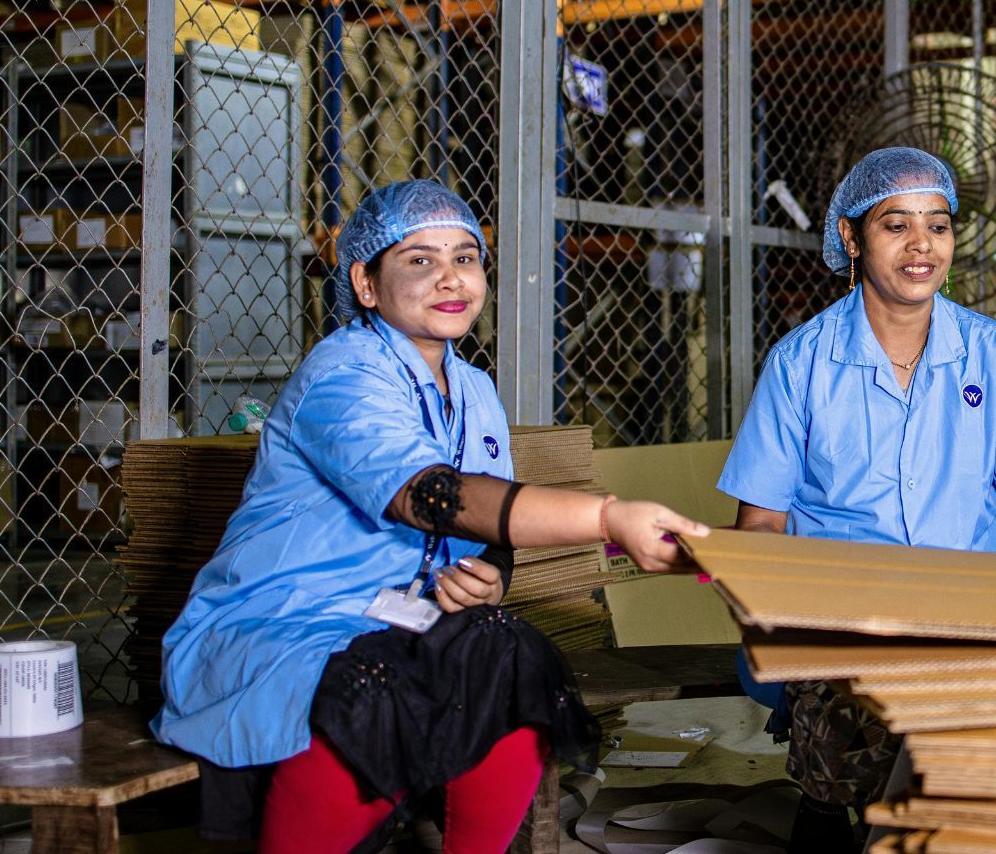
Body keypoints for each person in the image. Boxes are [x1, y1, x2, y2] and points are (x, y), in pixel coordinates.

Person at [152, 180, 710, 854]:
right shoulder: (343, 374)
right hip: (283, 623)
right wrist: (610, 517)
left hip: (399, 620)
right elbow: (429, 495)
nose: (451, 277)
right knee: (381, 685)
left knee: (503, 652)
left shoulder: (473, 388)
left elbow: (486, 522)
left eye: (466, 258)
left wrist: (492, 575)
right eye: (419, 260)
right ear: (365, 282)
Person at [716, 147, 996, 852]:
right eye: (897, 225)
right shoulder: (801, 363)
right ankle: (832, 819)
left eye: (939, 225)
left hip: (969, 605)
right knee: (863, 733)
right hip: (841, 614)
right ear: (851, 237)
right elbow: (761, 525)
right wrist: (781, 607)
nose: (922, 245)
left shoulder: (992, 352)